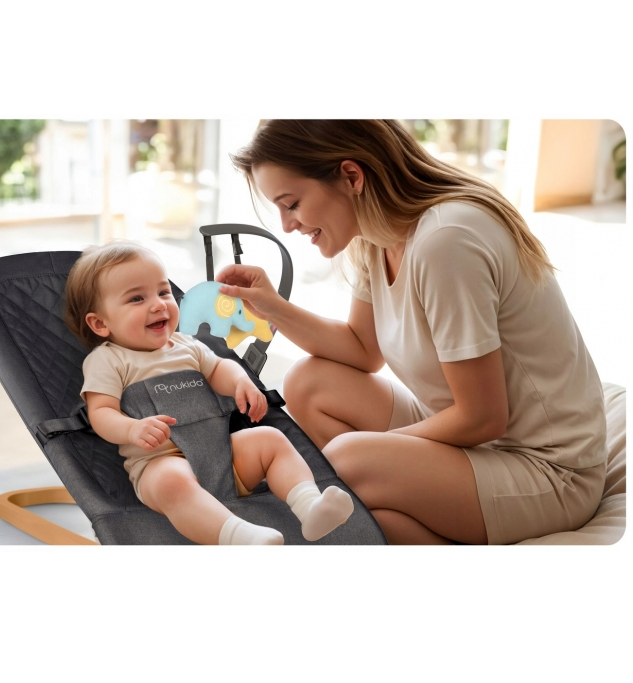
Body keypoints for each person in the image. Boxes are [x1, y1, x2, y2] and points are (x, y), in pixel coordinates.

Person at [216, 119, 607, 545]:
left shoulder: (446, 241)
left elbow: (483, 416)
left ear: (351, 176)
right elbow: (363, 349)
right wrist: (272, 306)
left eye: (291, 204)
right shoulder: (378, 237)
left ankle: (380, 508)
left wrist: (373, 452)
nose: (287, 225)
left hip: (546, 470)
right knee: (308, 383)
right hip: (471, 438)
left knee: (348, 461)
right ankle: (384, 512)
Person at [63, 242, 354, 545]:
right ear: (100, 323)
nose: (159, 304)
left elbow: (219, 369)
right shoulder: (109, 360)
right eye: (137, 298)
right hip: (160, 461)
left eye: (163, 292)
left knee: (271, 439)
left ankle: (310, 507)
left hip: (223, 455)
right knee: (169, 481)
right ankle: (239, 537)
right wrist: (131, 428)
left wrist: (241, 381)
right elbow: (101, 412)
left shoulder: (187, 345)